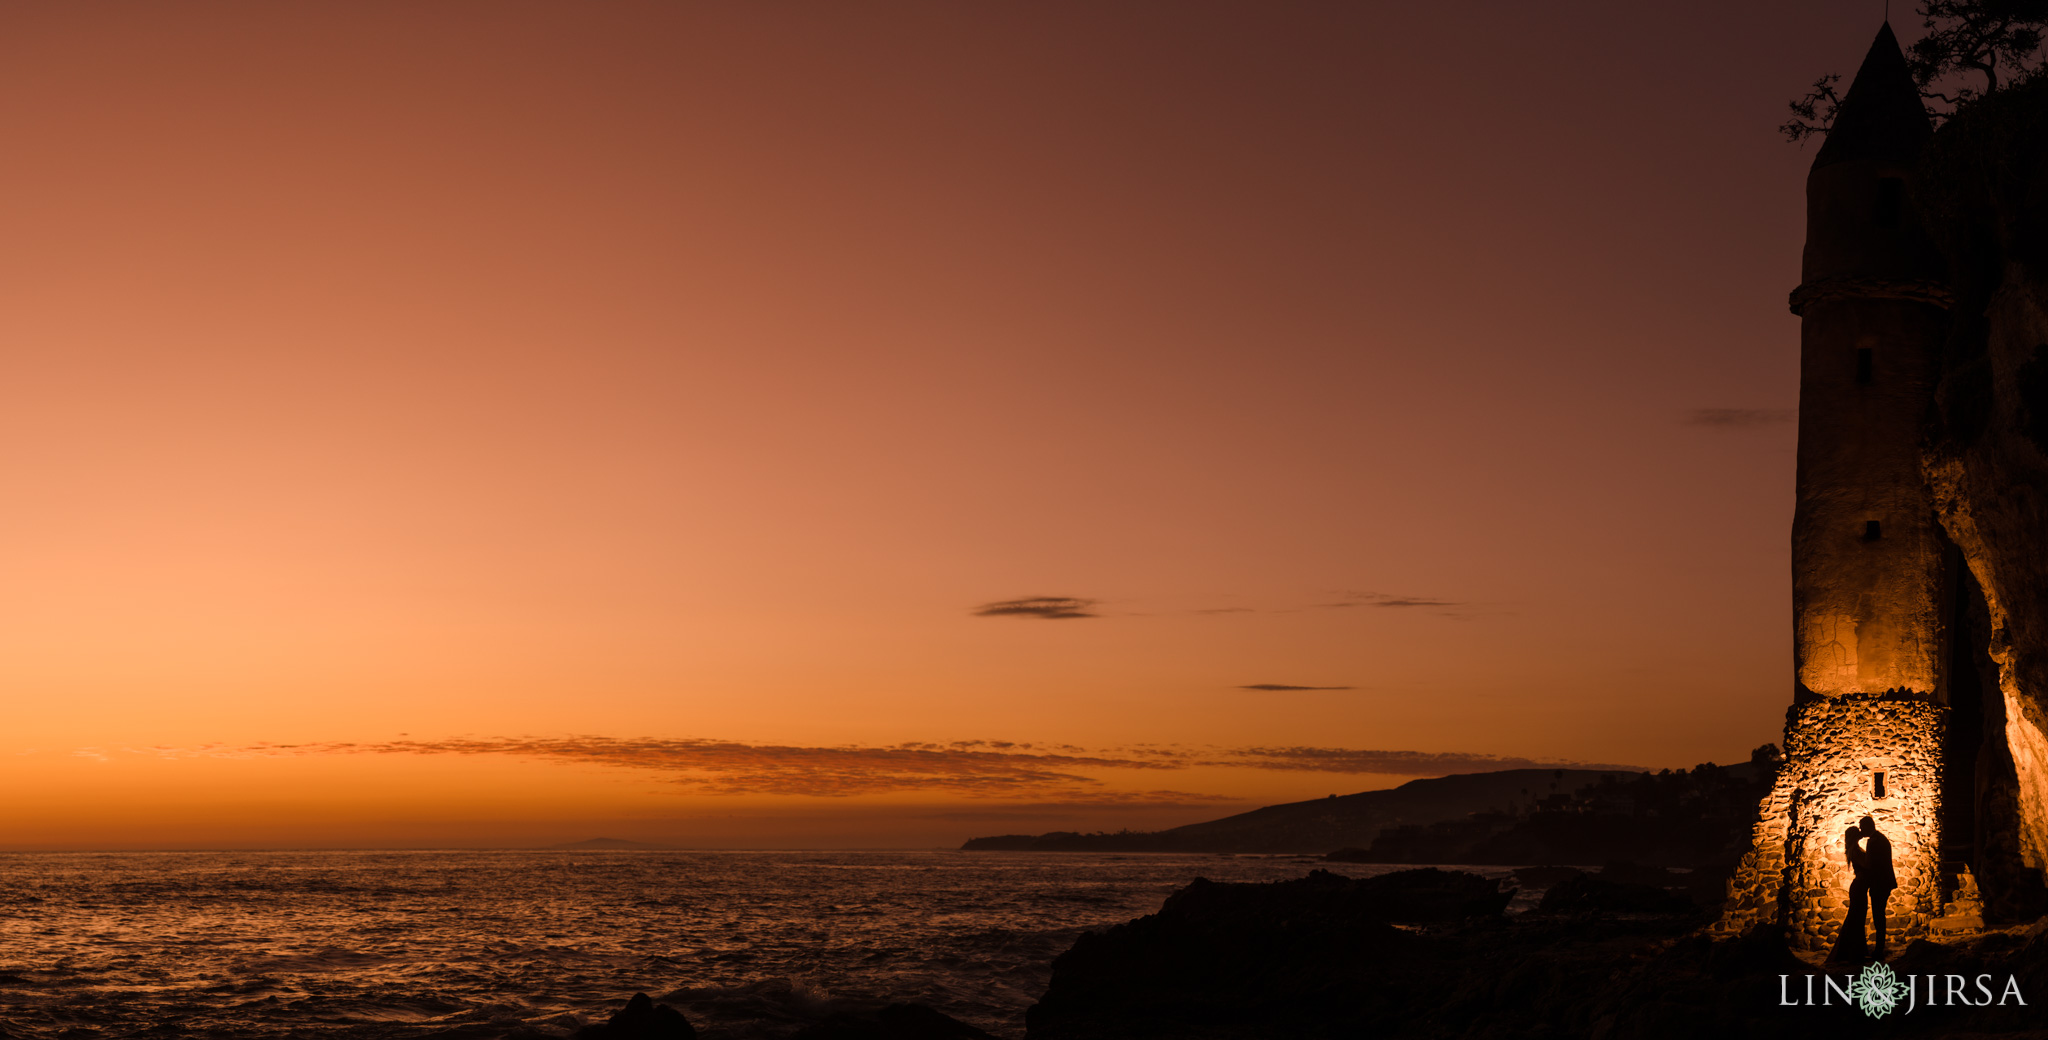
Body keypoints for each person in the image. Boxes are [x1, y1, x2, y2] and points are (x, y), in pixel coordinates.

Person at [1857, 816, 1897, 959]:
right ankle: (1880, 948)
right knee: (1880, 916)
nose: (1861, 830)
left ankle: (1879, 951)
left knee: (1878, 916)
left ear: (1868, 826)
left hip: (1879, 884)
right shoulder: (1881, 838)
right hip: (1884, 882)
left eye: (1862, 827)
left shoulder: (1873, 842)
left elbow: (1871, 865)